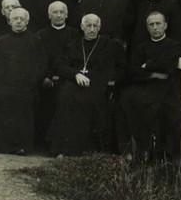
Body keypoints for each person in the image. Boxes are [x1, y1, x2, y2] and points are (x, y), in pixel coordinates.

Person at [0, 8, 47, 155]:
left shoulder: (35, 42)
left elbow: (41, 67)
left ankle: (20, 145)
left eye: (22, 19)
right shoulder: (0, 42)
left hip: (26, 86)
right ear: (10, 21)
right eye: (15, 18)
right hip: (2, 84)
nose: (18, 21)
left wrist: (28, 83)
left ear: (27, 21)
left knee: (20, 99)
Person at [48, 14, 126, 156]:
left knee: (92, 100)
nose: (92, 29)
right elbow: (59, 64)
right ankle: (64, 149)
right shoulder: (73, 45)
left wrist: (105, 78)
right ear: (82, 27)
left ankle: (90, 149)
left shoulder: (110, 45)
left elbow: (121, 67)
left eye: (95, 26)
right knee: (65, 97)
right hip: (75, 82)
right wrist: (75, 74)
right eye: (88, 26)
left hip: (97, 84)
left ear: (99, 27)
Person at [120, 12, 181, 160]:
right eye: (151, 24)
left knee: (159, 108)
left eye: (158, 24)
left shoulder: (173, 45)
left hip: (165, 87)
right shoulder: (141, 47)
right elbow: (131, 71)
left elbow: (168, 68)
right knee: (126, 100)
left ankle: (156, 152)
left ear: (165, 25)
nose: (155, 28)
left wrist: (147, 65)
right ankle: (134, 150)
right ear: (147, 27)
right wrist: (153, 74)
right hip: (144, 84)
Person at [34, 0, 78, 146]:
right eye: (55, 12)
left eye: (61, 12)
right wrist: (46, 77)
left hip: (67, 78)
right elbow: (39, 60)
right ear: (49, 15)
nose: (58, 15)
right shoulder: (40, 35)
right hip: (45, 77)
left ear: (66, 15)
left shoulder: (75, 34)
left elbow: (75, 60)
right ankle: (42, 141)